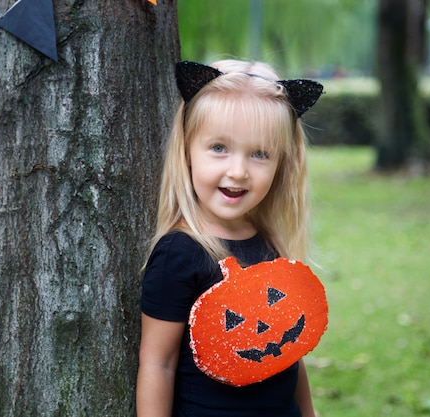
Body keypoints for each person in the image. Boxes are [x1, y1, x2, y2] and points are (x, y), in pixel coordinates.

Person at [136, 59, 324, 417]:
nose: (238, 172)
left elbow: (285, 347)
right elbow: (158, 364)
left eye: (259, 154)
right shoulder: (180, 253)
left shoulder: (269, 241)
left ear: (280, 163)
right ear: (188, 150)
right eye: (219, 148)